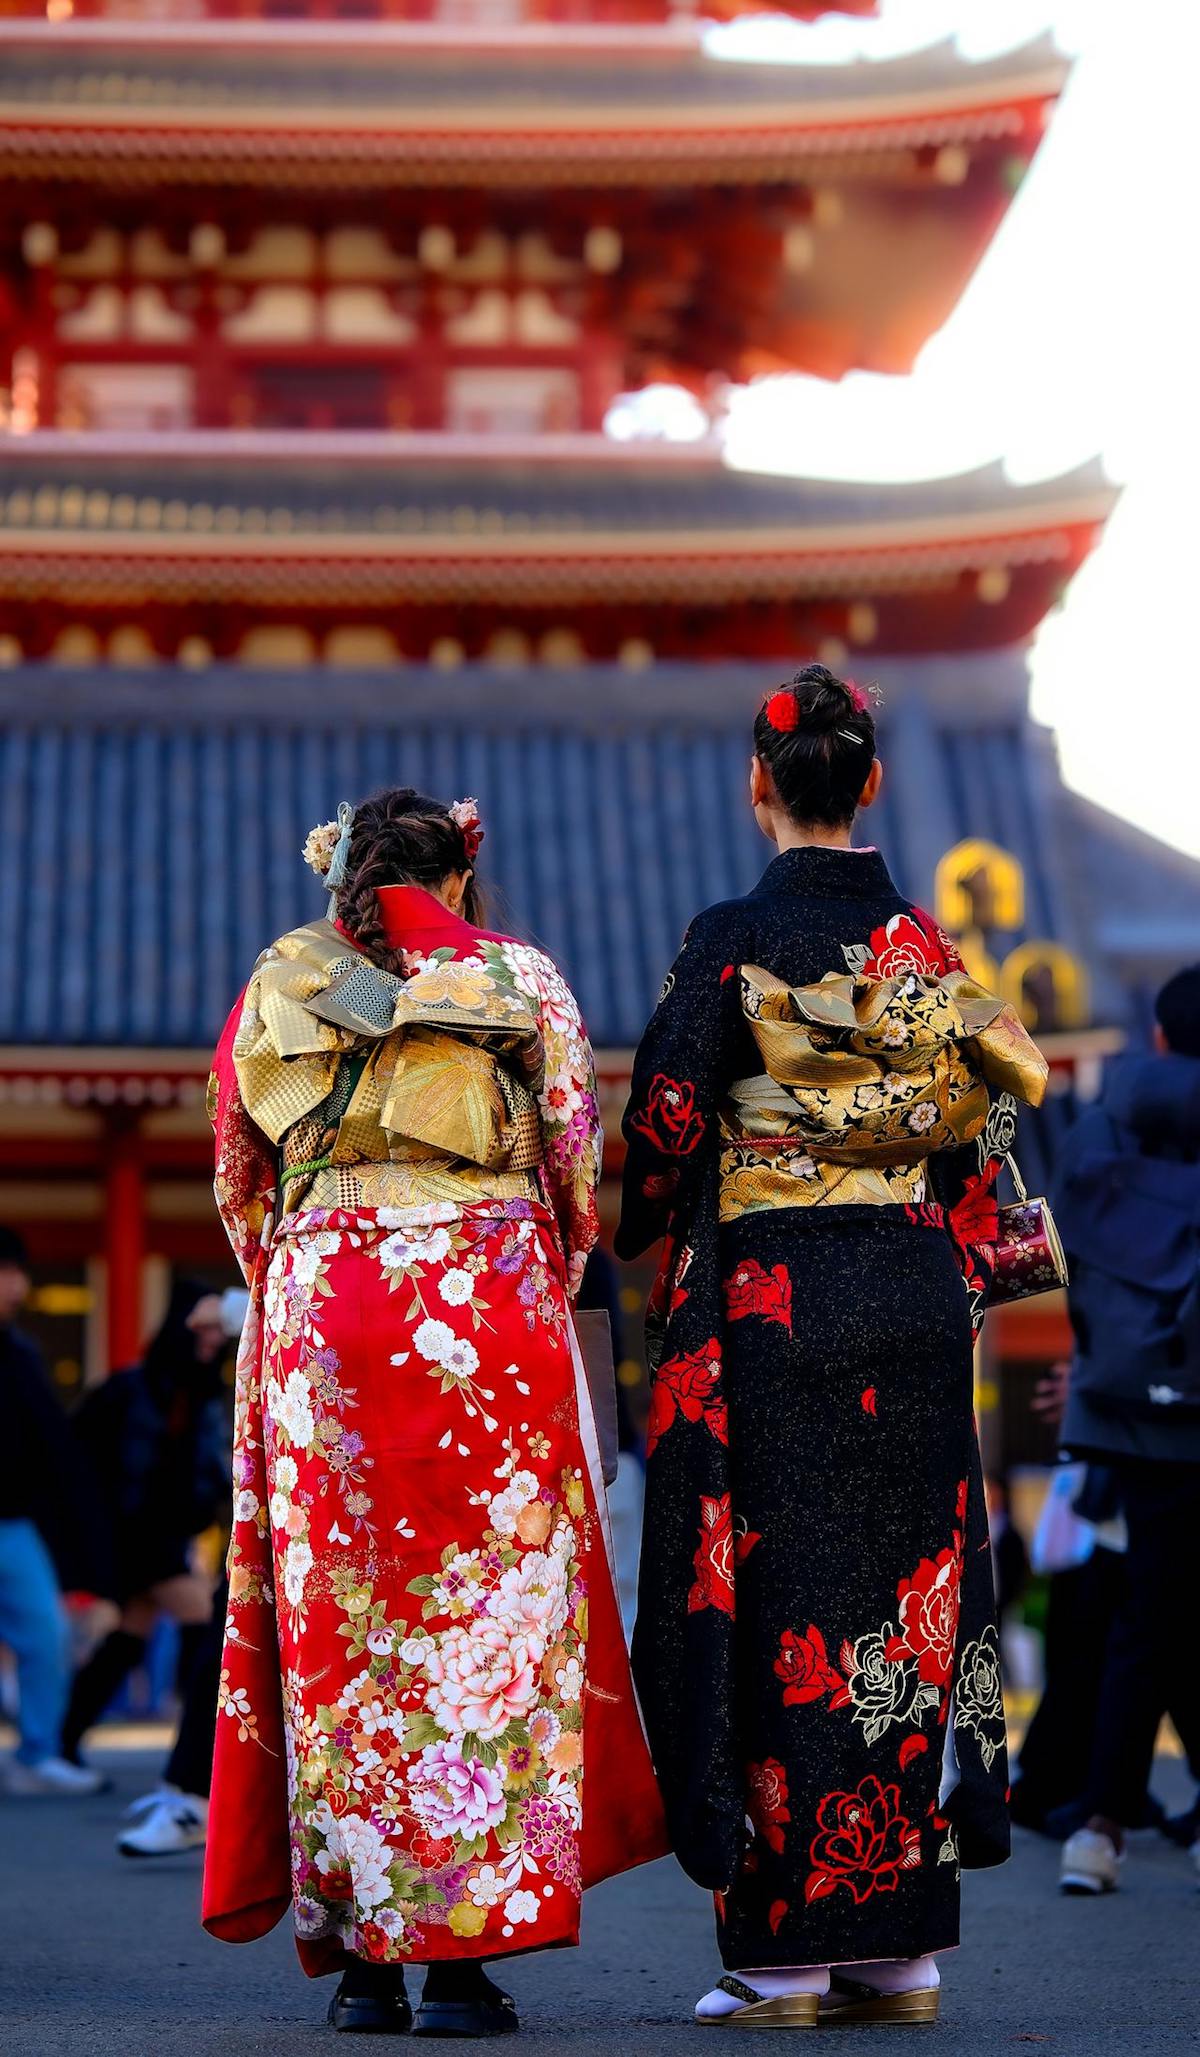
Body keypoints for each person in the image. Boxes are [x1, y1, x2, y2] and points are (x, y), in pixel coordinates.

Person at [616, 668, 1048, 2028]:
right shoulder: (930, 950)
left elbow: (667, 1128)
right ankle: (898, 1945)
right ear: (869, 782)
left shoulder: (733, 936)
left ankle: (787, 1949)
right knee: (909, 1603)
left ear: (761, 782)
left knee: (781, 1608)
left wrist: (645, 1213)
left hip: (776, 1300)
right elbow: (984, 1141)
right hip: (913, 1294)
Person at [203, 789, 666, 2036]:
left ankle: (365, 1965)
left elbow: (240, 1176)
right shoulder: (518, 977)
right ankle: (463, 1960)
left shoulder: (282, 979)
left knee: (343, 1635)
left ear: (343, 874)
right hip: (484, 1310)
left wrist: (301, 1271)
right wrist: (534, 1264)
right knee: (489, 1625)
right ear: (463, 870)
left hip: (326, 1307)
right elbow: (576, 1148)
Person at [1053, 964, 1200, 1896]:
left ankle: (1098, 1829)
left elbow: (1066, 1253)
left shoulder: (1101, 1126)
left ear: (1156, 1036)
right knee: (1170, 1615)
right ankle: (1104, 1821)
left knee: (1152, 1608)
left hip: (1128, 1399)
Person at [62, 1283, 232, 1765]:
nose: (210, 1340)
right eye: (201, 1329)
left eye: (217, 1332)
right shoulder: (129, 1389)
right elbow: (78, 1454)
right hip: (135, 1535)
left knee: (129, 1637)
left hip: (169, 1534)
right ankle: (199, 1749)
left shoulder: (201, 1393)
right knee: (202, 1619)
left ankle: (63, 1737)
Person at [118, 1286, 249, 1859]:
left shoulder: (221, 1370)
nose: (208, 1339)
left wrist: (226, 1311)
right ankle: (190, 1793)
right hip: (161, 1535)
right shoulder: (157, 1385)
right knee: (220, 1640)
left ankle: (194, 1794)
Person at [0, 1225, 105, 1795]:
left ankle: (38, 1751)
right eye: (9, 1273)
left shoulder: (21, 1352)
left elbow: (50, 1446)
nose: (19, 1286)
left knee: (45, 1634)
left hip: (14, 1523)